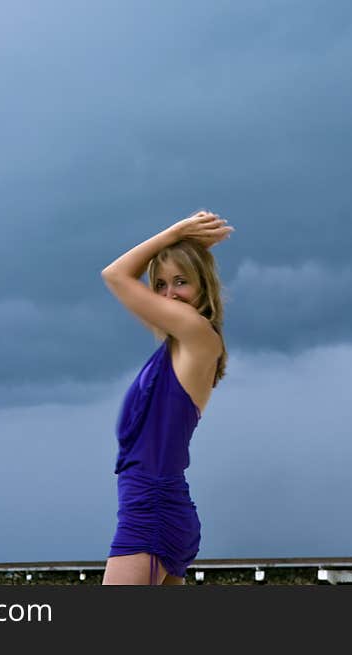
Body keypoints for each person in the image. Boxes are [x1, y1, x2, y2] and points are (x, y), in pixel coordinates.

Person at [100, 210, 234, 585]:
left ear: (203, 286)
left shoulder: (196, 333)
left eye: (181, 282)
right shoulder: (180, 344)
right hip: (156, 504)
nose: (169, 293)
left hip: (151, 507)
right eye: (159, 285)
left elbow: (115, 275)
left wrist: (175, 233)